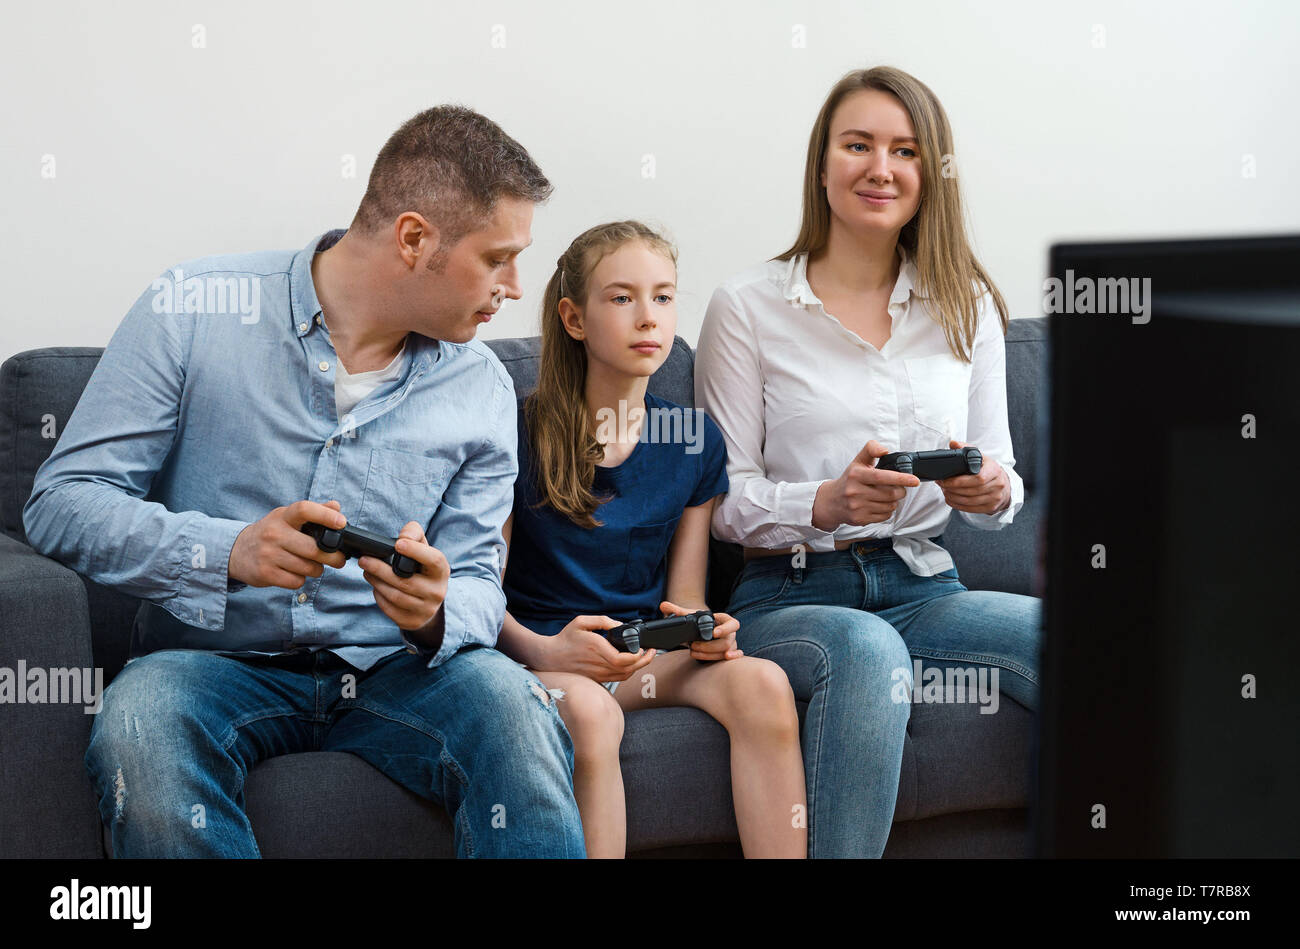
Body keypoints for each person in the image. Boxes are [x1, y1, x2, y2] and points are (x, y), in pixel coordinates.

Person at [22, 106, 586, 858]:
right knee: (141, 723)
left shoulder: (479, 384)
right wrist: (228, 550)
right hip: (214, 662)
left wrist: (434, 610)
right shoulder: (192, 310)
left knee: (517, 710)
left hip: (398, 668)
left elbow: (481, 577)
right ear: (415, 239)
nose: (517, 287)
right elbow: (62, 501)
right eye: (498, 258)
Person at [694, 66, 1041, 858]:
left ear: (930, 174)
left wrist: (990, 487)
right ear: (823, 165)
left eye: (904, 150)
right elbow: (722, 500)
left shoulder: (967, 302)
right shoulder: (746, 306)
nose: (880, 167)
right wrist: (826, 501)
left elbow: (1007, 476)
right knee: (866, 650)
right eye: (858, 145)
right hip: (788, 591)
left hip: (925, 583)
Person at [495, 221, 807, 858]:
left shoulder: (695, 438)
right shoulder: (513, 429)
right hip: (536, 657)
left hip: (643, 658)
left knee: (763, 684)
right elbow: (480, 595)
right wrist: (549, 652)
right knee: (590, 715)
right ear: (573, 318)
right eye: (621, 297)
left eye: (663, 298)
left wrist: (704, 629)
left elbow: (685, 596)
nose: (648, 318)